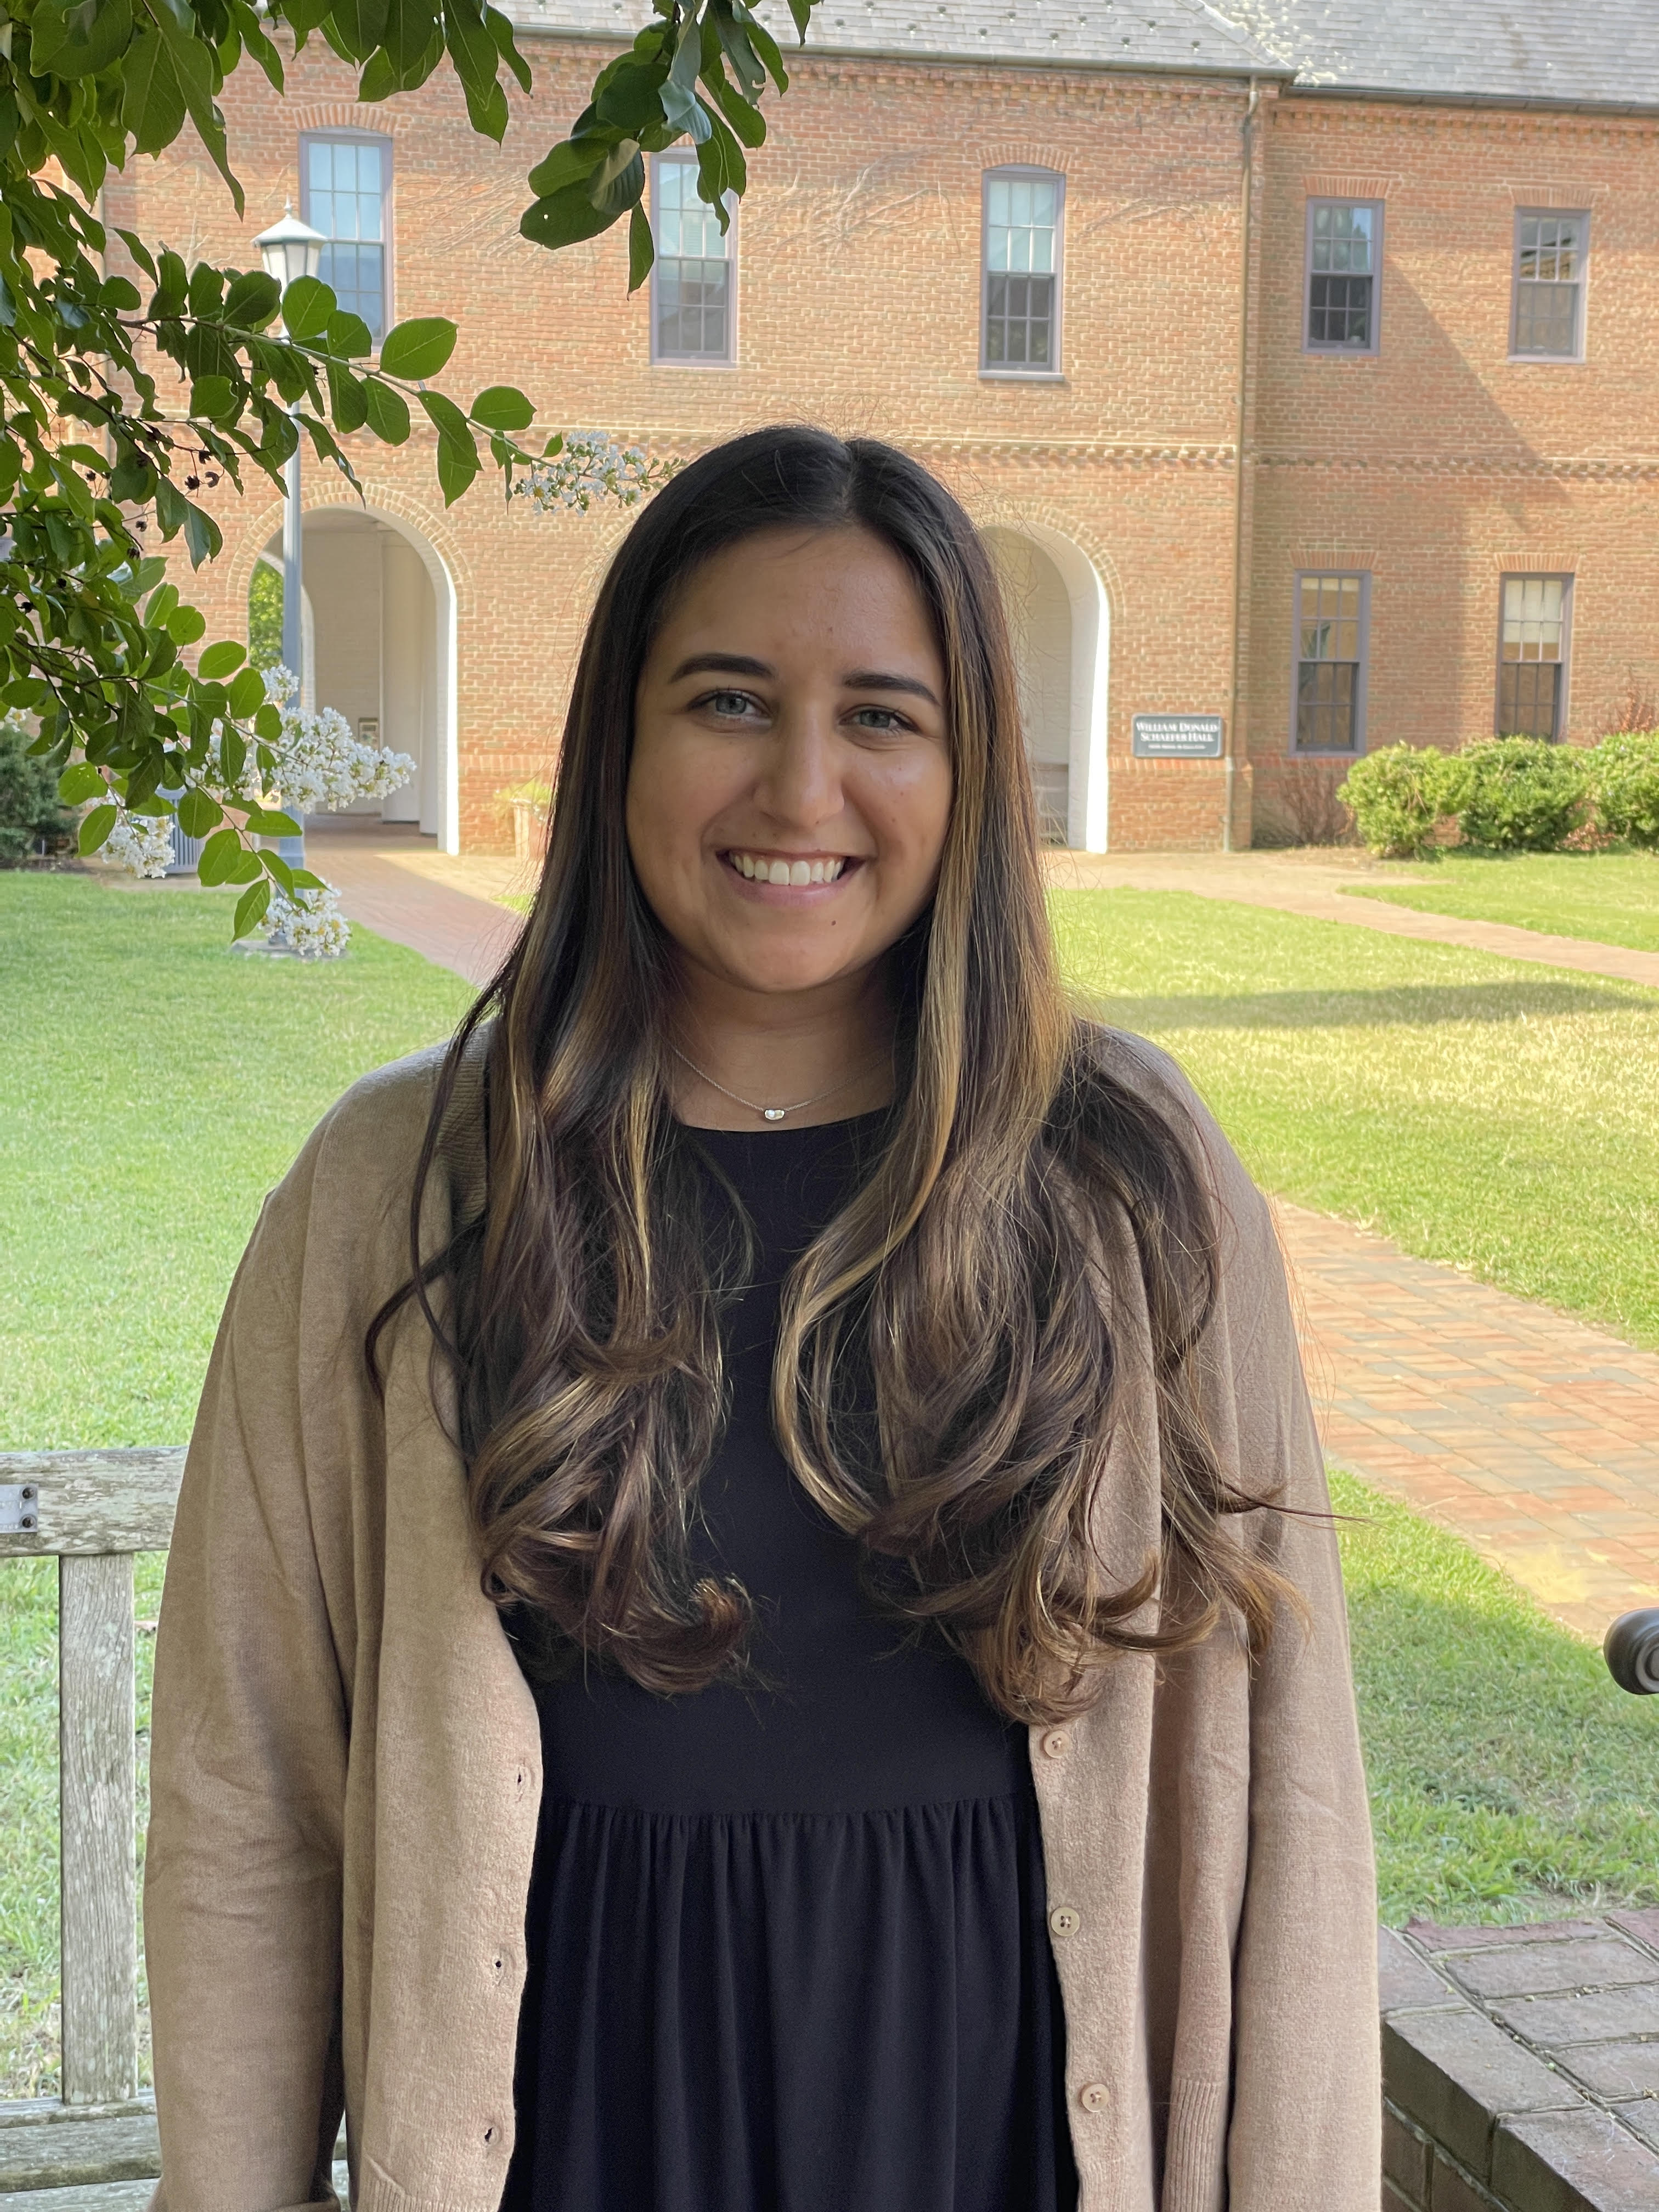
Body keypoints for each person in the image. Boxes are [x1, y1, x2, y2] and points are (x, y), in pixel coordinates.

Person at [143, 426, 1379, 2212]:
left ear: (969, 773)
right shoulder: (393, 1192)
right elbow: (246, 1797)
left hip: (998, 2131)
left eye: (883, 715)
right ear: (618, 741)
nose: (802, 789)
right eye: (729, 700)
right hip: (576, 2128)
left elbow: (1292, 1791)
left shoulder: (1131, 1179)